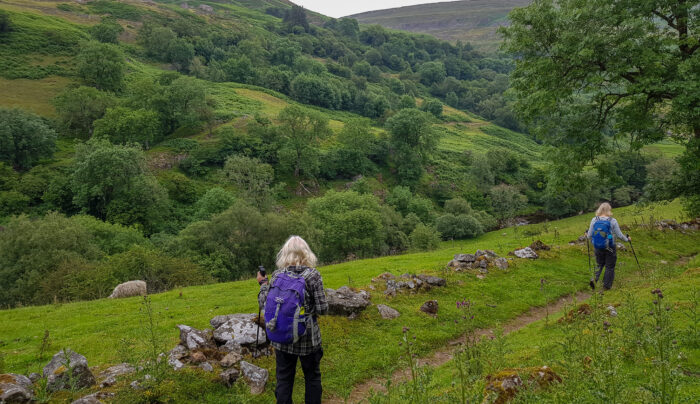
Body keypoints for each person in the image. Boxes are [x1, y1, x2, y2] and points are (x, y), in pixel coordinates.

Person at [257, 236, 328, 404]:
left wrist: (262, 284)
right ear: (306, 253)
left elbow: (263, 304)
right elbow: (323, 309)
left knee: (284, 379)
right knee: (312, 377)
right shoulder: (313, 276)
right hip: (308, 339)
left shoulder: (276, 275)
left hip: (282, 337)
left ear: (285, 254)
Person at [586, 202, 630, 290]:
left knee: (599, 264)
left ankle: (594, 279)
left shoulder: (594, 220)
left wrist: (586, 234)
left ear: (599, 210)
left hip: (597, 246)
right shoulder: (612, 221)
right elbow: (619, 235)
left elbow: (589, 235)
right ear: (609, 210)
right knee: (609, 266)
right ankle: (606, 286)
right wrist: (627, 239)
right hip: (610, 246)